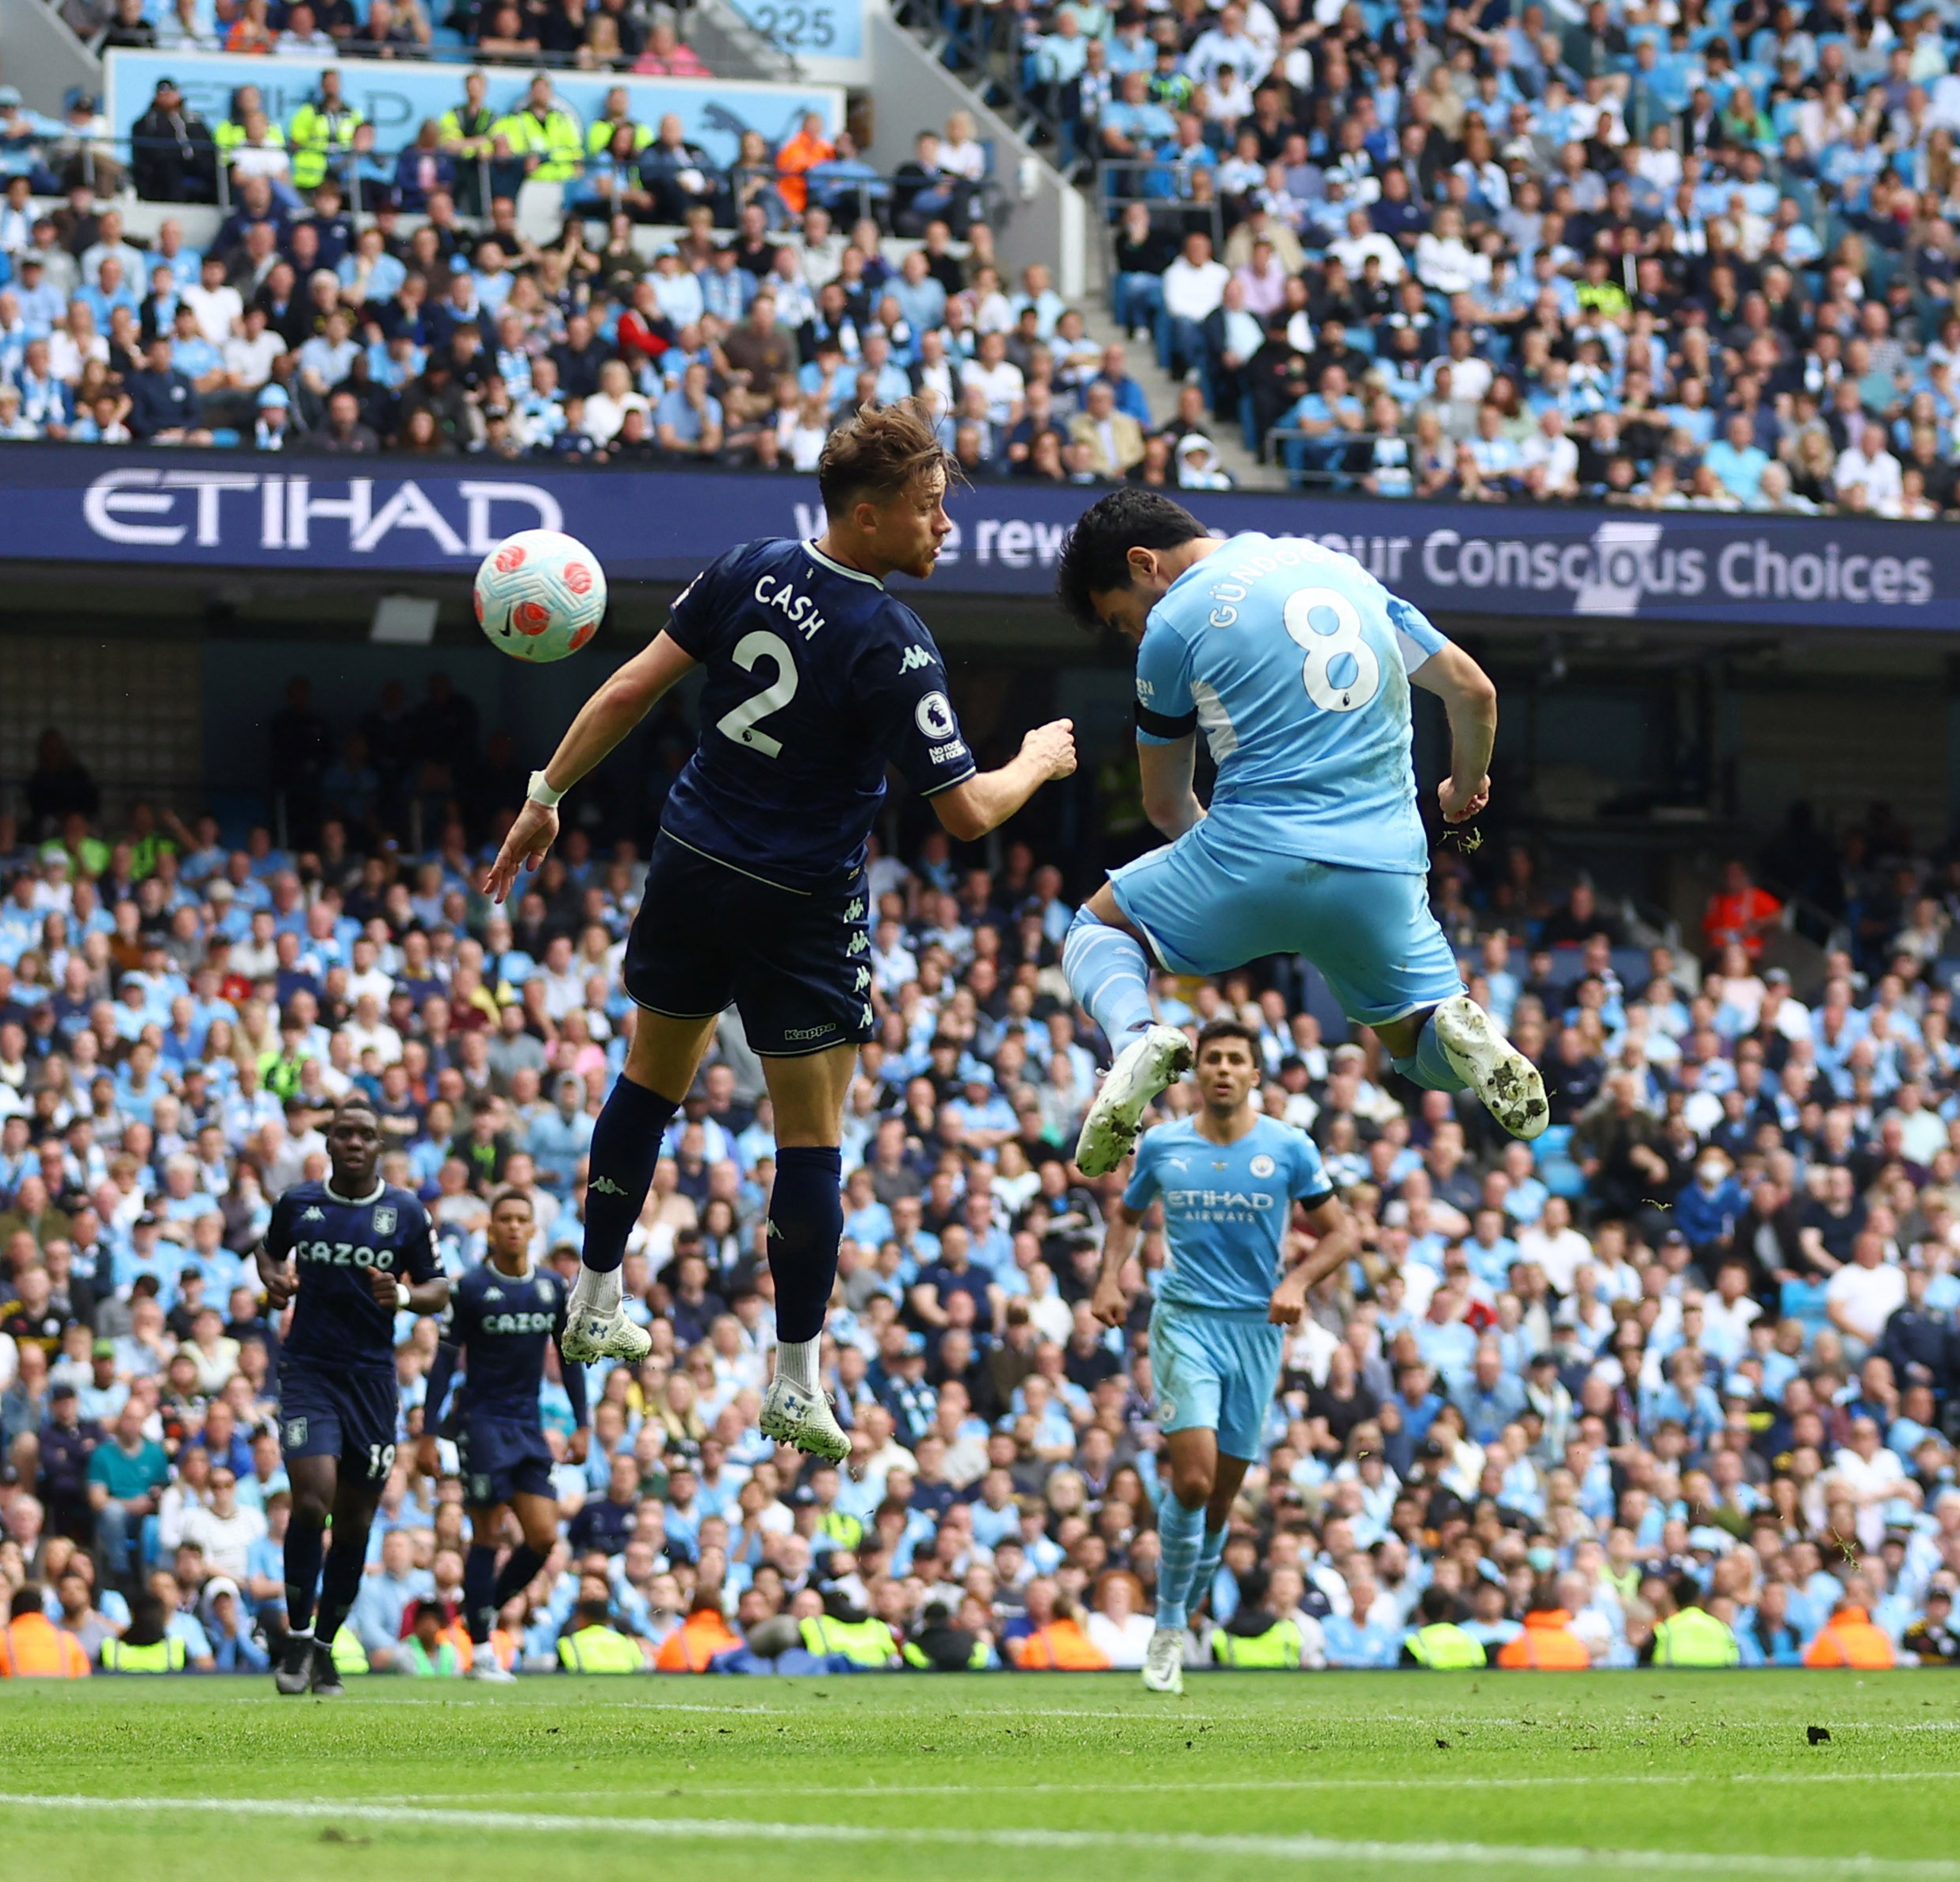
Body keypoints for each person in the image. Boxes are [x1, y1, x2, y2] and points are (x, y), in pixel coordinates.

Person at [477, 399, 1078, 1460]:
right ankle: (794, 1380)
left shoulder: (749, 563)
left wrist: (545, 791)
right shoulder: (892, 644)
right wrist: (1034, 758)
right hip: (797, 902)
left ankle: (593, 1295)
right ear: (867, 514)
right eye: (929, 508)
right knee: (812, 1136)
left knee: (647, 1080)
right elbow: (966, 812)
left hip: (691, 861)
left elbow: (625, 689)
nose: (947, 528)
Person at [1051, 489, 1548, 1181]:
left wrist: (1230, 883)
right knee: (1422, 1058)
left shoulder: (1172, 625)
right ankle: (1460, 1025)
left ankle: (1136, 1037)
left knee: (1095, 931)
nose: (1134, 634)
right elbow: (1472, 691)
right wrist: (1463, 789)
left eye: (1120, 620)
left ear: (1143, 565)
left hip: (1251, 854)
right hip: (1384, 871)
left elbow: (1165, 803)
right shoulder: (1339, 568)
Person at [1089, 1016, 1357, 1697]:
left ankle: (1184, 1609)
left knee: (1220, 1502)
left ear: (1255, 1074)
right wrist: (1107, 1276)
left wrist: (1296, 1280)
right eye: (1212, 1059)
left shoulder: (1288, 1148)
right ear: (1196, 1071)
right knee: (1191, 1481)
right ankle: (1169, 1625)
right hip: (1183, 1324)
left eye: (1237, 1059)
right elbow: (1126, 1213)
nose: (1223, 1070)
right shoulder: (1164, 1146)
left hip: (1256, 1331)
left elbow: (1341, 1233)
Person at [255, 1094, 449, 1695]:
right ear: (329, 1143)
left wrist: (407, 1298)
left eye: (365, 1133)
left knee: (358, 1523)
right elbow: (268, 1250)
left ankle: (323, 1645)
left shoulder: (407, 1211)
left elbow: (439, 1286)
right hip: (309, 1370)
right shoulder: (299, 1202)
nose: (355, 1142)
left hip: (371, 1380)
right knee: (312, 1501)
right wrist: (273, 1280)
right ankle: (295, 1632)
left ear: (378, 1145)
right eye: (343, 1133)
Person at [415, 1186, 586, 1679]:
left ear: (533, 1229)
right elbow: (444, 1364)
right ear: (491, 1229)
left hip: (529, 1426)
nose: (512, 1226)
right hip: (482, 1424)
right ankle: (484, 1647)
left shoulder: (554, 1288)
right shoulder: (469, 1288)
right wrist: (429, 1433)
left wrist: (583, 1424)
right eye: (504, 1219)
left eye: (520, 1219)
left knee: (543, 1537)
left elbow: (570, 1358)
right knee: (488, 1533)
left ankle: (480, 1611)